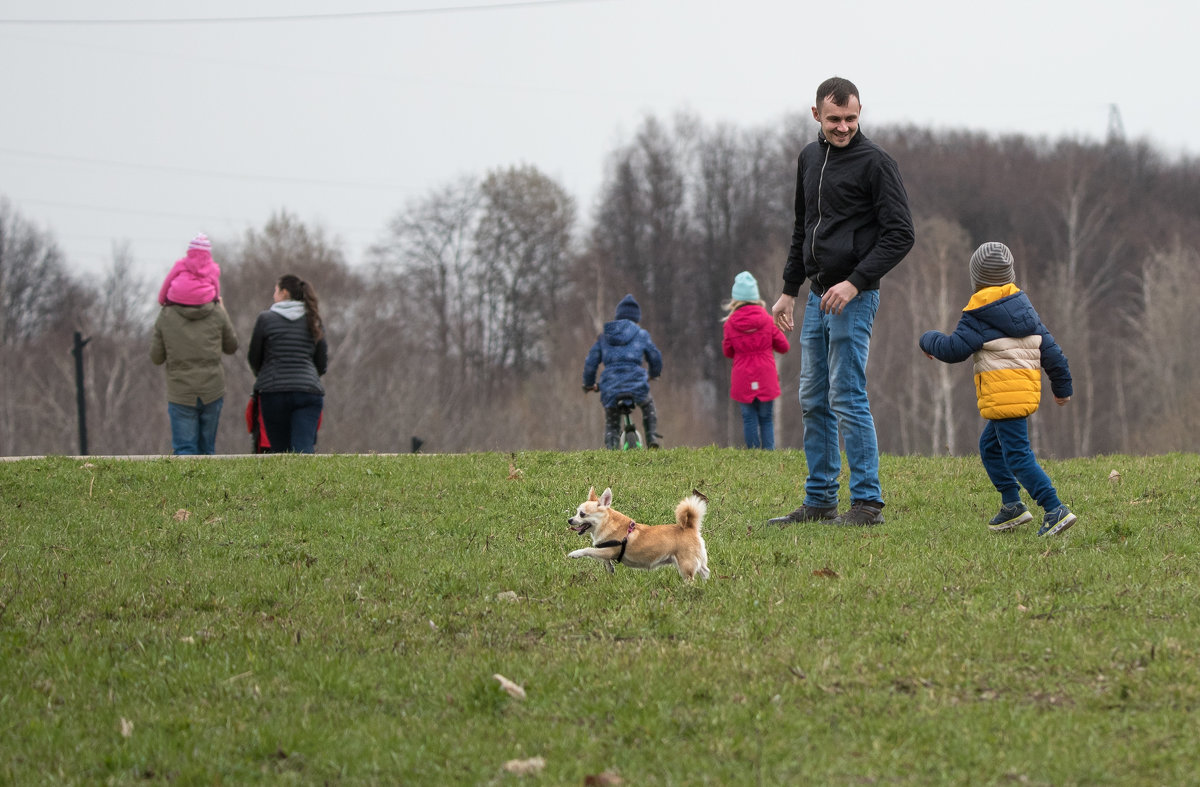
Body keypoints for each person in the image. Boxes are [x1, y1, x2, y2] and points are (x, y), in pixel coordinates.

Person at [768, 76, 915, 527]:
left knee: (847, 395)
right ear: (816, 115)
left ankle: (868, 504)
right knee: (813, 397)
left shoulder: (877, 164)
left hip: (855, 297)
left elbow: (901, 235)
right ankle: (819, 502)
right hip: (816, 296)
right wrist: (789, 289)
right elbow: (802, 228)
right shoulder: (809, 158)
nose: (844, 127)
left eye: (851, 118)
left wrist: (855, 282)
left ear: (860, 112)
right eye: (834, 119)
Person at [919, 242, 1077, 536]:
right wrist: (1062, 388)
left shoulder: (978, 315)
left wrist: (928, 339)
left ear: (976, 279)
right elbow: (1053, 353)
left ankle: (1055, 508)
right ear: (1010, 276)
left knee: (1017, 456)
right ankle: (1012, 505)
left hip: (1004, 398)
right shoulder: (1025, 312)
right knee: (990, 448)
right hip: (1024, 394)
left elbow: (953, 350)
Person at [247, 274, 329, 453]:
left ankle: (284, 481)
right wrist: (307, 378)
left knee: (279, 451)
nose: (273, 295)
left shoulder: (265, 319)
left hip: (273, 393)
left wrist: (266, 376)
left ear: (284, 292)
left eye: (275, 291)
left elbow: (254, 357)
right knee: (303, 448)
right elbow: (321, 363)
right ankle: (308, 481)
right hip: (308, 393)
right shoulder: (313, 319)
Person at [150, 297, 239, 455]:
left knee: (184, 449)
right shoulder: (217, 311)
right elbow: (231, 346)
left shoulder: (166, 314)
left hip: (180, 391)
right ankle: (207, 480)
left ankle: (186, 480)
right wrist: (223, 311)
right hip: (212, 387)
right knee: (207, 450)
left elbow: (156, 357)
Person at [582, 294, 663, 449]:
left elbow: (590, 363)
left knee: (612, 422)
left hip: (610, 386)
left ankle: (611, 446)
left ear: (618, 316)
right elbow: (655, 356)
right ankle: (652, 436)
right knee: (648, 406)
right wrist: (654, 373)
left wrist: (588, 383)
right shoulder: (641, 334)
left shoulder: (604, 337)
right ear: (637, 318)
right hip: (637, 384)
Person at [722, 271, 790, 449]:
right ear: (755, 297)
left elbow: (727, 351)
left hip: (742, 376)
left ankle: (752, 454)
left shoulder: (730, 324)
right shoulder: (767, 321)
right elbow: (783, 346)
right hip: (766, 375)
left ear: (735, 299)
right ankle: (769, 453)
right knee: (766, 418)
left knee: (749, 418)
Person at [158, 233, 221, 306]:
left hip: (177, 298)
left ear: (190, 251)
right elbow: (216, 286)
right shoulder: (213, 268)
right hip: (203, 300)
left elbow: (167, 282)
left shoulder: (181, 264)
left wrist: (161, 300)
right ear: (208, 253)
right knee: (222, 317)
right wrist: (216, 299)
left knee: (166, 315)